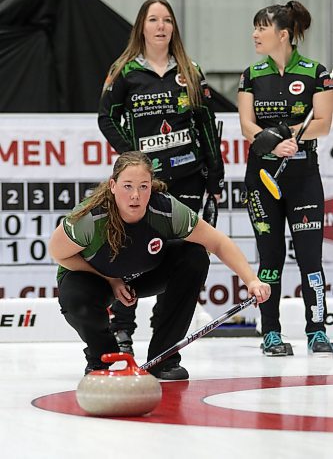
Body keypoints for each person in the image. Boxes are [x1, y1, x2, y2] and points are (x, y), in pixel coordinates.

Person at [48, 151, 270, 379]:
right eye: (127, 186)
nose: (135, 195)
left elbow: (218, 242)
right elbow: (59, 253)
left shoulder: (166, 209)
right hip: (96, 278)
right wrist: (111, 280)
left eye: (143, 187)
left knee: (194, 256)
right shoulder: (89, 218)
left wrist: (251, 280)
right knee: (76, 301)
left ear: (151, 187)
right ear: (113, 185)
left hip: (140, 276)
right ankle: (102, 358)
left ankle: (163, 358)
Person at [98, 0, 224, 355]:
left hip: (187, 176)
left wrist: (215, 174)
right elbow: (105, 117)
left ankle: (165, 340)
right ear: (142, 26)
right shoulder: (124, 69)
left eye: (166, 20)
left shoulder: (190, 69)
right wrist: (132, 158)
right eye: (153, 19)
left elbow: (206, 124)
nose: (161, 26)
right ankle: (122, 329)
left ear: (173, 27)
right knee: (133, 250)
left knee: (184, 254)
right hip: (144, 182)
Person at [237, 0, 333, 356]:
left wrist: (285, 133)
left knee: (310, 258)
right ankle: (271, 333)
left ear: (283, 34)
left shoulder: (316, 73)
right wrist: (273, 141)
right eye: (255, 27)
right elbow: (247, 125)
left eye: (262, 27)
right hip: (262, 179)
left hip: (303, 177)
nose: (255, 34)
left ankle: (317, 330)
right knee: (270, 257)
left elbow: (322, 123)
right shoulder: (251, 74)